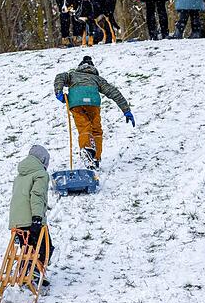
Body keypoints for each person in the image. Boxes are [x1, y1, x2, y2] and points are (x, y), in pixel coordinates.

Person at [53, 55, 134, 169]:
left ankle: (86, 149)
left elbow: (60, 76)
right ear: (93, 68)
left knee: (84, 127)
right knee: (96, 130)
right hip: (93, 104)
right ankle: (95, 158)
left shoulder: (72, 75)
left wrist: (58, 91)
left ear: (79, 67)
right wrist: (126, 110)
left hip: (75, 102)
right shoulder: (97, 79)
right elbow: (113, 92)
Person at [8, 145, 53, 285]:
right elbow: (37, 195)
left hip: (17, 221)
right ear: (43, 160)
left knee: (27, 248)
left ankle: (27, 270)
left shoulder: (20, 176)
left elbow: (19, 198)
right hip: (31, 219)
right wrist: (37, 217)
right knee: (46, 248)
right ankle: (33, 272)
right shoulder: (41, 174)